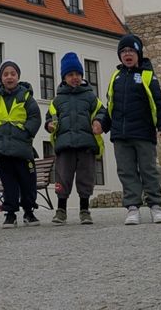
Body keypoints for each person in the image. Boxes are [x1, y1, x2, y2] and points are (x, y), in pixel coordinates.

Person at [104, 33, 161, 226]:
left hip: (143, 133)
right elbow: (110, 105)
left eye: (131, 51)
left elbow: (159, 103)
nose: (127, 54)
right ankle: (132, 207)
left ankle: (155, 206)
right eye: (124, 51)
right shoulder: (115, 77)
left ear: (138, 54)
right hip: (120, 134)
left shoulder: (147, 75)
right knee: (126, 171)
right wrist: (103, 124)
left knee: (148, 170)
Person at [45, 52, 108, 226]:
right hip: (64, 145)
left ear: (82, 76)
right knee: (63, 177)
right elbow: (49, 117)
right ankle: (61, 209)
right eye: (70, 75)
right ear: (64, 78)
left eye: (78, 74)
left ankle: (84, 209)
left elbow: (102, 112)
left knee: (85, 177)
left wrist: (97, 121)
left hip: (86, 144)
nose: (75, 78)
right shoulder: (57, 100)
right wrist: (49, 124)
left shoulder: (90, 97)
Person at [0, 59, 41, 227]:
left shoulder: (26, 96)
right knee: (8, 183)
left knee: (28, 182)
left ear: (18, 76)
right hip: (3, 150)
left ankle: (29, 212)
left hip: (22, 148)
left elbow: (35, 117)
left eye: (12, 74)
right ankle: (10, 213)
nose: (9, 77)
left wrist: (27, 131)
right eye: (5, 74)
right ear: (1, 78)